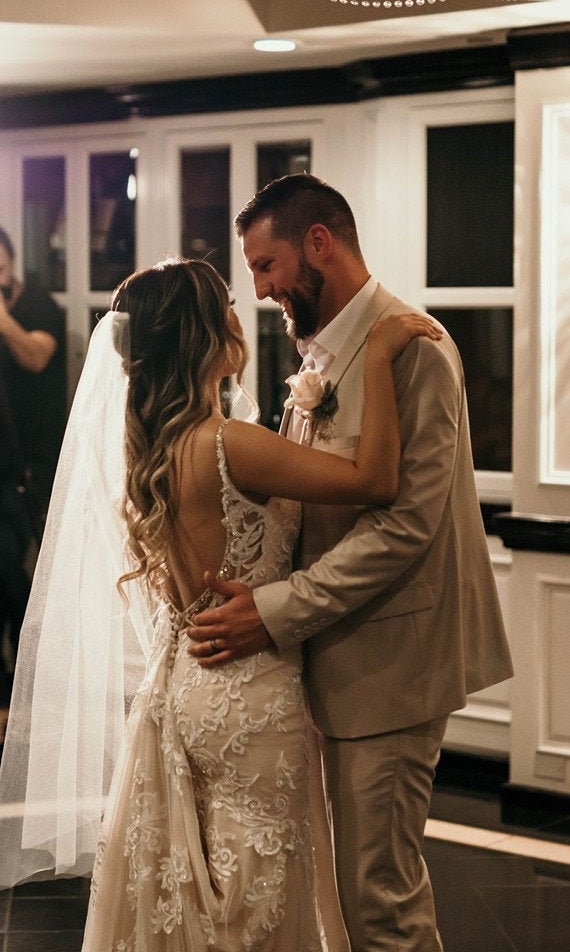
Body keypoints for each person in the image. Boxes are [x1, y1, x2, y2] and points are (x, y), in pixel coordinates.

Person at [0, 257, 441, 951]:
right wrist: (380, 352)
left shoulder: (157, 445)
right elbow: (379, 478)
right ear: (204, 332)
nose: (243, 310)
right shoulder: (230, 444)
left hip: (185, 679)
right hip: (249, 688)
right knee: (253, 896)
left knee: (203, 886)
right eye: (229, 301)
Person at [187, 174, 515, 952]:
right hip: (333, 654)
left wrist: (270, 613)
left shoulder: (414, 347)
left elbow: (406, 526)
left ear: (319, 245)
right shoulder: (322, 351)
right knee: (348, 898)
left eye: (266, 266)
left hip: (392, 665)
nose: (261, 289)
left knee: (379, 903)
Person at [0, 225, 66, 672]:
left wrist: (2, 317)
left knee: (23, 571)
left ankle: (32, 670)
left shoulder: (40, 306)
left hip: (32, 457)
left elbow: (35, 357)